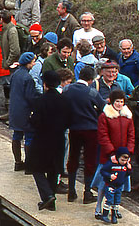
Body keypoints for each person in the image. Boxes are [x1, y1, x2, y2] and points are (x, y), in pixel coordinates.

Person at [28, 69, 70, 210]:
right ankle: (51, 202)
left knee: (36, 167)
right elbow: (69, 120)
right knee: (54, 169)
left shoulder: (40, 101)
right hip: (58, 139)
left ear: (45, 84)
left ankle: (47, 196)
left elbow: (34, 121)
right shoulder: (64, 100)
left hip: (42, 139)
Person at [62, 64, 105, 203]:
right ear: (91, 80)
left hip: (74, 128)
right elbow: (103, 107)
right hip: (90, 129)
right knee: (89, 160)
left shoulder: (68, 89)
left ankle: (71, 190)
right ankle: (87, 192)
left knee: (73, 157)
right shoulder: (91, 92)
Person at [94, 89, 135, 218]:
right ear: (112, 102)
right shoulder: (104, 116)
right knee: (104, 183)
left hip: (123, 156)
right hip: (108, 156)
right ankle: (98, 208)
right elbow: (103, 135)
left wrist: (128, 153)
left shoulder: (128, 117)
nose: (119, 104)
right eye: (117, 101)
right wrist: (111, 152)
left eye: (121, 102)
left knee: (120, 183)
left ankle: (115, 207)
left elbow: (131, 135)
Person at [9, 52, 39, 171]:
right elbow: (30, 97)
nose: (34, 63)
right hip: (25, 111)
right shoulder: (28, 78)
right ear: (28, 63)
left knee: (16, 136)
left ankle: (17, 162)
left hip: (15, 110)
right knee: (29, 137)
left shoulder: (15, 74)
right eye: (33, 61)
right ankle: (29, 164)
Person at [95, 148, 133, 223]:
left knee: (117, 201)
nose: (123, 162)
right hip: (110, 185)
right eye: (122, 160)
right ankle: (105, 215)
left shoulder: (125, 165)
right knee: (109, 200)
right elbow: (103, 171)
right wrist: (109, 176)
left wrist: (129, 169)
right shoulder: (111, 164)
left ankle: (114, 215)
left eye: (126, 160)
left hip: (119, 186)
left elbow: (127, 174)